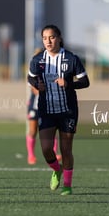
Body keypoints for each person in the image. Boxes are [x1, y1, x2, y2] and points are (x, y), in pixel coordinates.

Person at [27, 24, 89, 195]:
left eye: (52, 37)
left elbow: (85, 82)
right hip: (46, 110)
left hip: (67, 111)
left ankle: (67, 186)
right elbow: (30, 78)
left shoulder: (71, 59)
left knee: (66, 149)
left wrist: (68, 84)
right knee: (46, 149)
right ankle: (57, 169)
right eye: (45, 38)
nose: (48, 41)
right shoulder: (37, 60)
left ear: (59, 38)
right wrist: (37, 84)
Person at [26, 85, 61, 165]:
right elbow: (34, 89)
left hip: (49, 105)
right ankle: (31, 155)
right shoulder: (35, 74)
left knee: (51, 129)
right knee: (32, 131)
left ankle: (54, 153)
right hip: (35, 106)